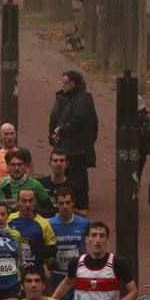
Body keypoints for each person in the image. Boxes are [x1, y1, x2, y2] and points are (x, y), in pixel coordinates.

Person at [47, 71, 98, 209]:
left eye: (65, 83)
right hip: (68, 143)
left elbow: (78, 120)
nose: (63, 86)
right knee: (69, 172)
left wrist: (61, 129)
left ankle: (80, 203)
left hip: (78, 146)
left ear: (73, 84)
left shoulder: (83, 99)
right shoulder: (68, 97)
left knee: (78, 174)